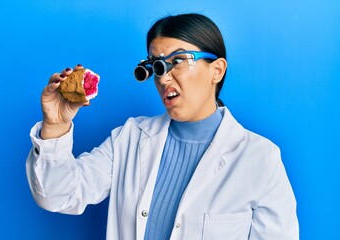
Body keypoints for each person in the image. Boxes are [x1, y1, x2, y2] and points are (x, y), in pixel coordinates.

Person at [26, 13, 299, 240]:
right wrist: (56, 123)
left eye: (178, 61)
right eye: (157, 66)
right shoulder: (130, 138)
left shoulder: (260, 158)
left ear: (217, 70)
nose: (164, 78)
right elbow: (57, 196)